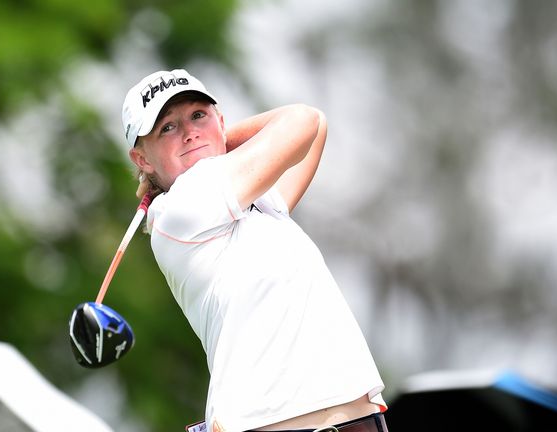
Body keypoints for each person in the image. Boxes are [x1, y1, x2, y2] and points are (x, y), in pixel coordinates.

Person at [122, 69, 387, 432]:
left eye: (198, 114)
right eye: (167, 127)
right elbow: (302, 121)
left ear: (220, 119)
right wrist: (211, 139)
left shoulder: (260, 204)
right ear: (143, 160)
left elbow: (316, 127)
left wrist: (211, 138)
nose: (188, 132)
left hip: (354, 418)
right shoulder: (181, 208)